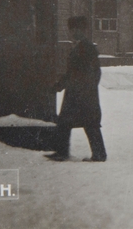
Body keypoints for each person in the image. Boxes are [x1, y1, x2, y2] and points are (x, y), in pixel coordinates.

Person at [45, 16, 106, 162]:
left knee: (88, 123)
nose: (73, 32)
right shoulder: (80, 47)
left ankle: (98, 154)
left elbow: (94, 72)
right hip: (78, 92)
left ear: (83, 30)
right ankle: (62, 152)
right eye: (72, 29)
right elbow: (72, 73)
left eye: (76, 29)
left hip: (82, 93)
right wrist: (59, 86)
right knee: (68, 122)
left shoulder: (87, 48)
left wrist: (86, 88)